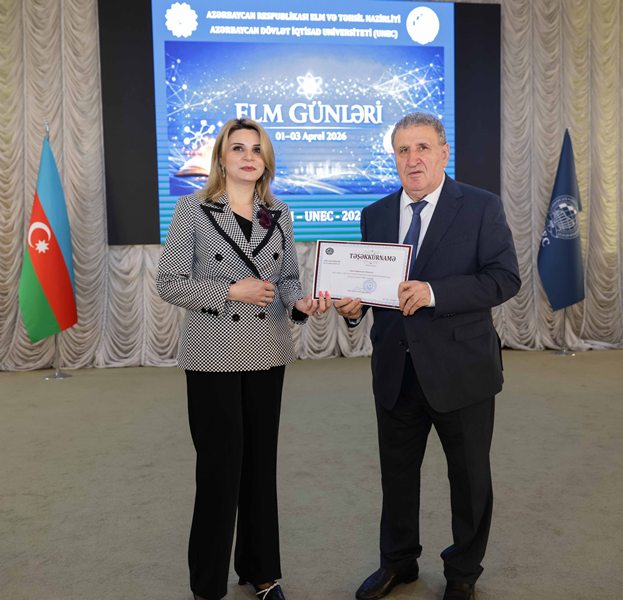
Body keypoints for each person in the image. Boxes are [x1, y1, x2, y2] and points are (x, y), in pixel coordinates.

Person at [334, 112, 520, 600]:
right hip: (396, 370)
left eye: (422, 148)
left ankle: (463, 572)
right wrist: (354, 309)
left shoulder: (481, 206)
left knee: (470, 479)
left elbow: (504, 278)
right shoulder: (375, 214)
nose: (412, 159)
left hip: (462, 371)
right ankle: (398, 563)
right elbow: (371, 289)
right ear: (393, 158)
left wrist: (435, 293)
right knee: (397, 476)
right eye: (403, 150)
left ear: (443, 153)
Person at [156, 118, 330, 600]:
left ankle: (261, 571)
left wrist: (301, 303)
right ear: (221, 158)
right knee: (219, 469)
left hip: (268, 350)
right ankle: (207, 584)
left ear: (266, 160)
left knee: (259, 466)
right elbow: (169, 283)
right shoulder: (192, 209)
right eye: (238, 148)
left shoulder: (279, 212)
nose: (248, 156)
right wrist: (232, 291)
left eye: (257, 149)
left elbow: (288, 279)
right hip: (212, 354)